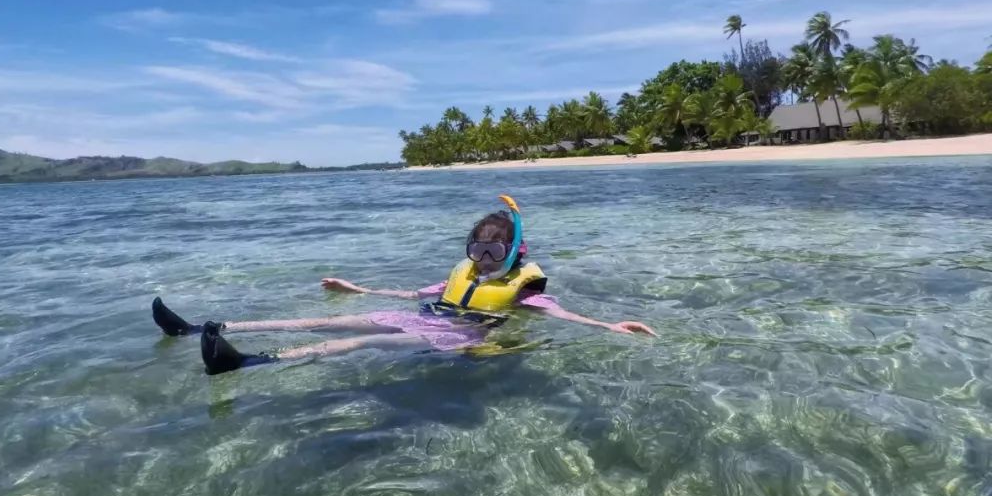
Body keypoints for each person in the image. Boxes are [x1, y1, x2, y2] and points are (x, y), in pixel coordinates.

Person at [152, 195, 655, 375]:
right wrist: (355, 289)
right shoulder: (460, 277)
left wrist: (611, 325)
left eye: (493, 252)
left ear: (514, 252)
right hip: (427, 319)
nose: (481, 260)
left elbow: (561, 314)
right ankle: (201, 327)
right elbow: (412, 295)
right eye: (475, 250)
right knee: (328, 319)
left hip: (457, 338)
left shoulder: (527, 288)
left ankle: (247, 362)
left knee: (359, 341)